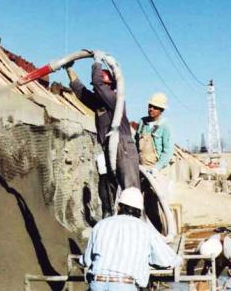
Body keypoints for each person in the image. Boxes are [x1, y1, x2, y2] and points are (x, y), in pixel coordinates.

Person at [66, 51, 140, 197]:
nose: (95, 91)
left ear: (109, 87)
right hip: (109, 147)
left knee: (129, 192)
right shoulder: (100, 104)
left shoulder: (114, 100)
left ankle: (134, 218)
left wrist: (97, 62)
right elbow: (81, 92)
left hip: (122, 147)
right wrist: (69, 69)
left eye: (98, 88)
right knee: (113, 191)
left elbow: (98, 83)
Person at [81, 187, 182, 290]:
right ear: (140, 211)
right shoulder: (145, 230)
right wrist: (178, 259)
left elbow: (87, 260)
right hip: (125, 285)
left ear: (119, 207)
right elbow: (166, 260)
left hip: (97, 284)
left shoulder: (101, 225)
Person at [135, 93, 173, 171]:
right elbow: (135, 144)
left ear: (161, 110)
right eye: (150, 106)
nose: (151, 109)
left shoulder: (165, 125)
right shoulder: (142, 122)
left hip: (159, 169)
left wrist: (156, 168)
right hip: (141, 167)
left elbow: (167, 152)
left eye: (155, 107)